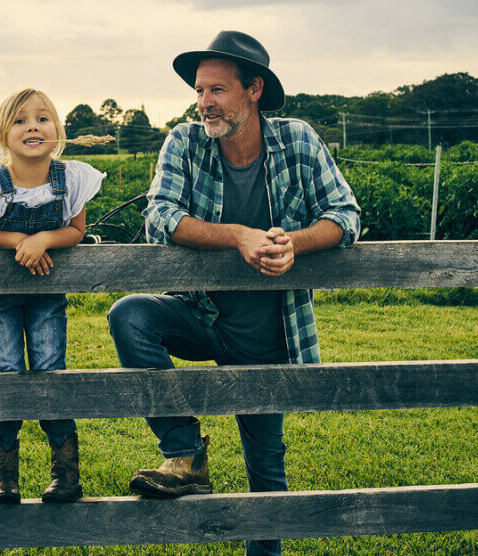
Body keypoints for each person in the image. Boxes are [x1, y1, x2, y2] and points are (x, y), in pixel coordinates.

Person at [106, 31, 361, 556]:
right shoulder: (184, 140)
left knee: (266, 471)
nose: (204, 103)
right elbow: (161, 217)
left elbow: (345, 215)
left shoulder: (298, 140)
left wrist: (296, 243)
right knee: (130, 316)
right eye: (200, 91)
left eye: (217, 90)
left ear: (254, 90)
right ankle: (185, 452)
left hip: (269, 337)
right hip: (201, 315)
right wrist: (238, 235)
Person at [0, 88, 102, 504]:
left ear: (56, 130)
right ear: (4, 135)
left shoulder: (71, 178)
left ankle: (65, 472)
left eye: (42, 119)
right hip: (0, 297)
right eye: (20, 121)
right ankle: (4, 476)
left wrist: (44, 237)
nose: (33, 127)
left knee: (50, 369)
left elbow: (75, 231)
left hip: (47, 294)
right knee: (4, 370)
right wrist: (17, 241)